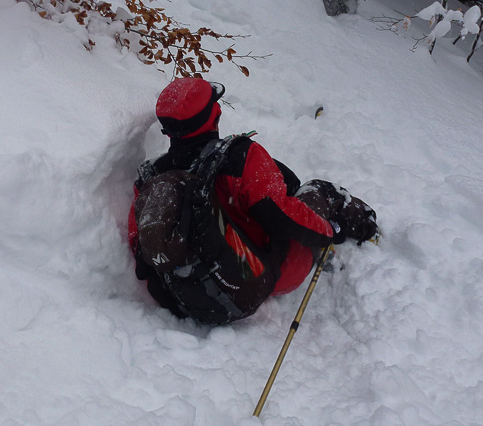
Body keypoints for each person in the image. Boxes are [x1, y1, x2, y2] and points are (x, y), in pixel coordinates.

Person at [127, 78, 377, 324]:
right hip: (258, 278)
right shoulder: (242, 157)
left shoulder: (151, 178)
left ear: (167, 130)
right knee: (322, 191)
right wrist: (327, 231)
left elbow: (139, 242)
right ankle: (366, 226)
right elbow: (281, 217)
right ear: (215, 115)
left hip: (184, 296)